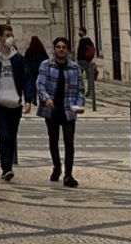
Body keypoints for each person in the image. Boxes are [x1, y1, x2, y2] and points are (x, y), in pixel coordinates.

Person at [0, 24, 29, 181]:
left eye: (11, 35)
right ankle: (6, 168)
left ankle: (7, 165)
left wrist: (28, 99)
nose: (10, 38)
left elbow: (26, 79)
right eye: (7, 35)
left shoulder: (18, 59)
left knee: (11, 135)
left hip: (15, 104)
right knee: (4, 136)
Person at [37, 36, 85, 188]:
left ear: (68, 50)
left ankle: (68, 175)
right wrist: (46, 99)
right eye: (58, 47)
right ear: (54, 49)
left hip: (68, 109)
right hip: (51, 109)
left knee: (69, 142)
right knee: (53, 140)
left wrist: (80, 104)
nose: (61, 49)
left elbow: (81, 89)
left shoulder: (75, 68)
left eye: (64, 47)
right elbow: (40, 84)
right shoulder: (46, 65)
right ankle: (57, 167)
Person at [23, 35, 48, 111]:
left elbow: (25, 60)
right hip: (40, 70)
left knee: (33, 85)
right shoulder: (41, 50)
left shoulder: (29, 50)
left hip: (31, 70)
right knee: (40, 85)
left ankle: (33, 99)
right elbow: (46, 59)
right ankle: (41, 99)